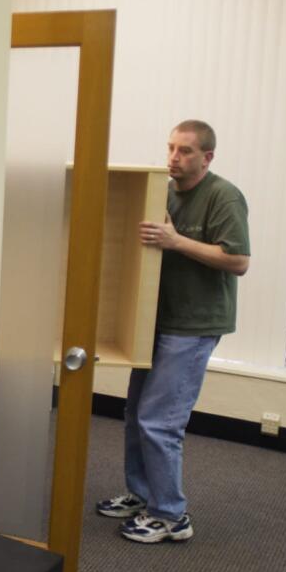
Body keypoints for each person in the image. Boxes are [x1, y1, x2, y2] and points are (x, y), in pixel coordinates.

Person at [95, 119, 250, 543]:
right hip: (155, 320)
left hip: (194, 326)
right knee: (135, 415)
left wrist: (176, 241)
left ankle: (171, 515)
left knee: (159, 421)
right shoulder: (160, 191)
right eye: (170, 149)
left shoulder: (223, 196)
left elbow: (238, 261)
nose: (173, 158)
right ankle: (142, 494)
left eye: (184, 151)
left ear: (207, 157)